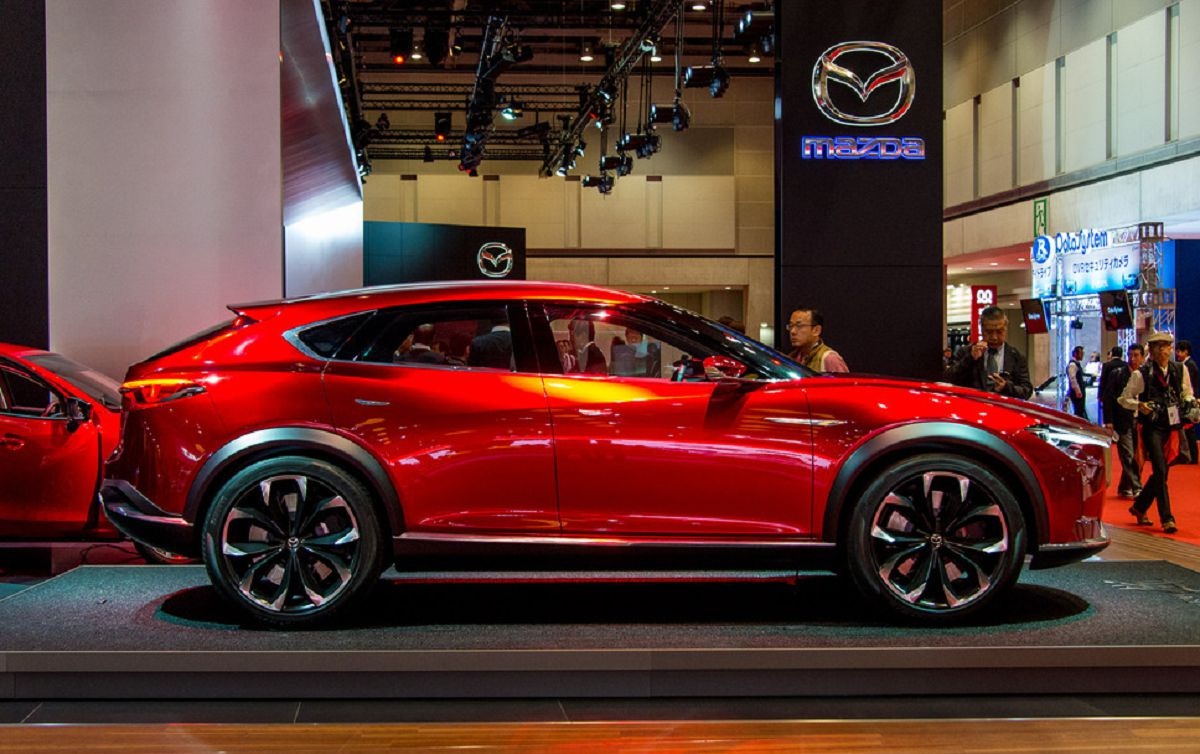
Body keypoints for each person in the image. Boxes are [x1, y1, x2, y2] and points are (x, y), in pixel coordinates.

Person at [1119, 331, 1196, 534]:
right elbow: (1124, 398)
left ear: (1171, 349)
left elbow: (1187, 392)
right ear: (1151, 352)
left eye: (1166, 346)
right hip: (1151, 427)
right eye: (1158, 347)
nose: (1163, 350)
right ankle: (1167, 518)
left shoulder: (1180, 370)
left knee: (1163, 471)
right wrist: (1139, 405)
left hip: (1172, 424)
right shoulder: (1141, 374)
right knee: (1160, 470)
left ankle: (1140, 507)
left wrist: (1190, 403)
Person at [942, 306, 1033, 399]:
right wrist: (970, 358)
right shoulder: (966, 352)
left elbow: (1026, 391)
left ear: (1006, 329)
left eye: (999, 332)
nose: (994, 337)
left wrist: (1006, 387)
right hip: (973, 405)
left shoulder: (1016, 357)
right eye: (989, 332)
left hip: (1003, 406)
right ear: (981, 329)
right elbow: (949, 379)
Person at [1104, 344, 1143, 498]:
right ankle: (1137, 487)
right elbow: (1108, 398)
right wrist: (1109, 420)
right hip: (1122, 420)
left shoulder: (1145, 374)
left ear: (1142, 357)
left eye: (1136, 355)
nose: (1133, 359)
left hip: (1140, 421)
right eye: (1130, 355)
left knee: (1138, 456)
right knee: (1128, 454)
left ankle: (1124, 486)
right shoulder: (1118, 374)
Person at [786, 307, 848, 373]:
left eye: (799, 326)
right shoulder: (791, 358)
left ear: (816, 330)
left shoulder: (830, 359)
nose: (792, 331)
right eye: (791, 326)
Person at [1177, 339, 1199, 465]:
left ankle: (1192, 456)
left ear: (1186, 352)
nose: (1177, 354)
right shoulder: (1187, 364)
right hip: (1189, 400)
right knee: (1187, 429)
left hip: (1189, 401)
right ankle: (1190, 456)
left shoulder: (1189, 365)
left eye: (1180, 351)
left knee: (1189, 429)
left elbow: (1190, 385)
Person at [1066, 345, 1088, 420]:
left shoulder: (1077, 364)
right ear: (1076, 354)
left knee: (1081, 409)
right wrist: (1077, 391)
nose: (1082, 356)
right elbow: (1073, 379)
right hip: (1076, 393)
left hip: (1079, 391)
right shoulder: (1073, 365)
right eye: (1081, 354)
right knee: (1079, 411)